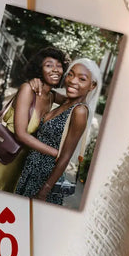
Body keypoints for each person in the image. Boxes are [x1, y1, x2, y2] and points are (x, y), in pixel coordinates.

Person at [15, 58, 102, 204]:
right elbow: (47, 93)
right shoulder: (67, 102)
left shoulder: (79, 111)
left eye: (82, 79)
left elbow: (65, 156)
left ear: (92, 85)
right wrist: (35, 82)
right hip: (31, 170)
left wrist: (44, 192)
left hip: (44, 179)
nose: (73, 81)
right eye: (70, 75)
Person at [0, 47, 68, 192]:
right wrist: (57, 153)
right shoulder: (28, 89)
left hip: (22, 162)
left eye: (59, 66)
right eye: (49, 65)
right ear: (39, 69)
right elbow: (21, 134)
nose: (55, 69)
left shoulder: (51, 96)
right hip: (3, 156)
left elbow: (75, 102)